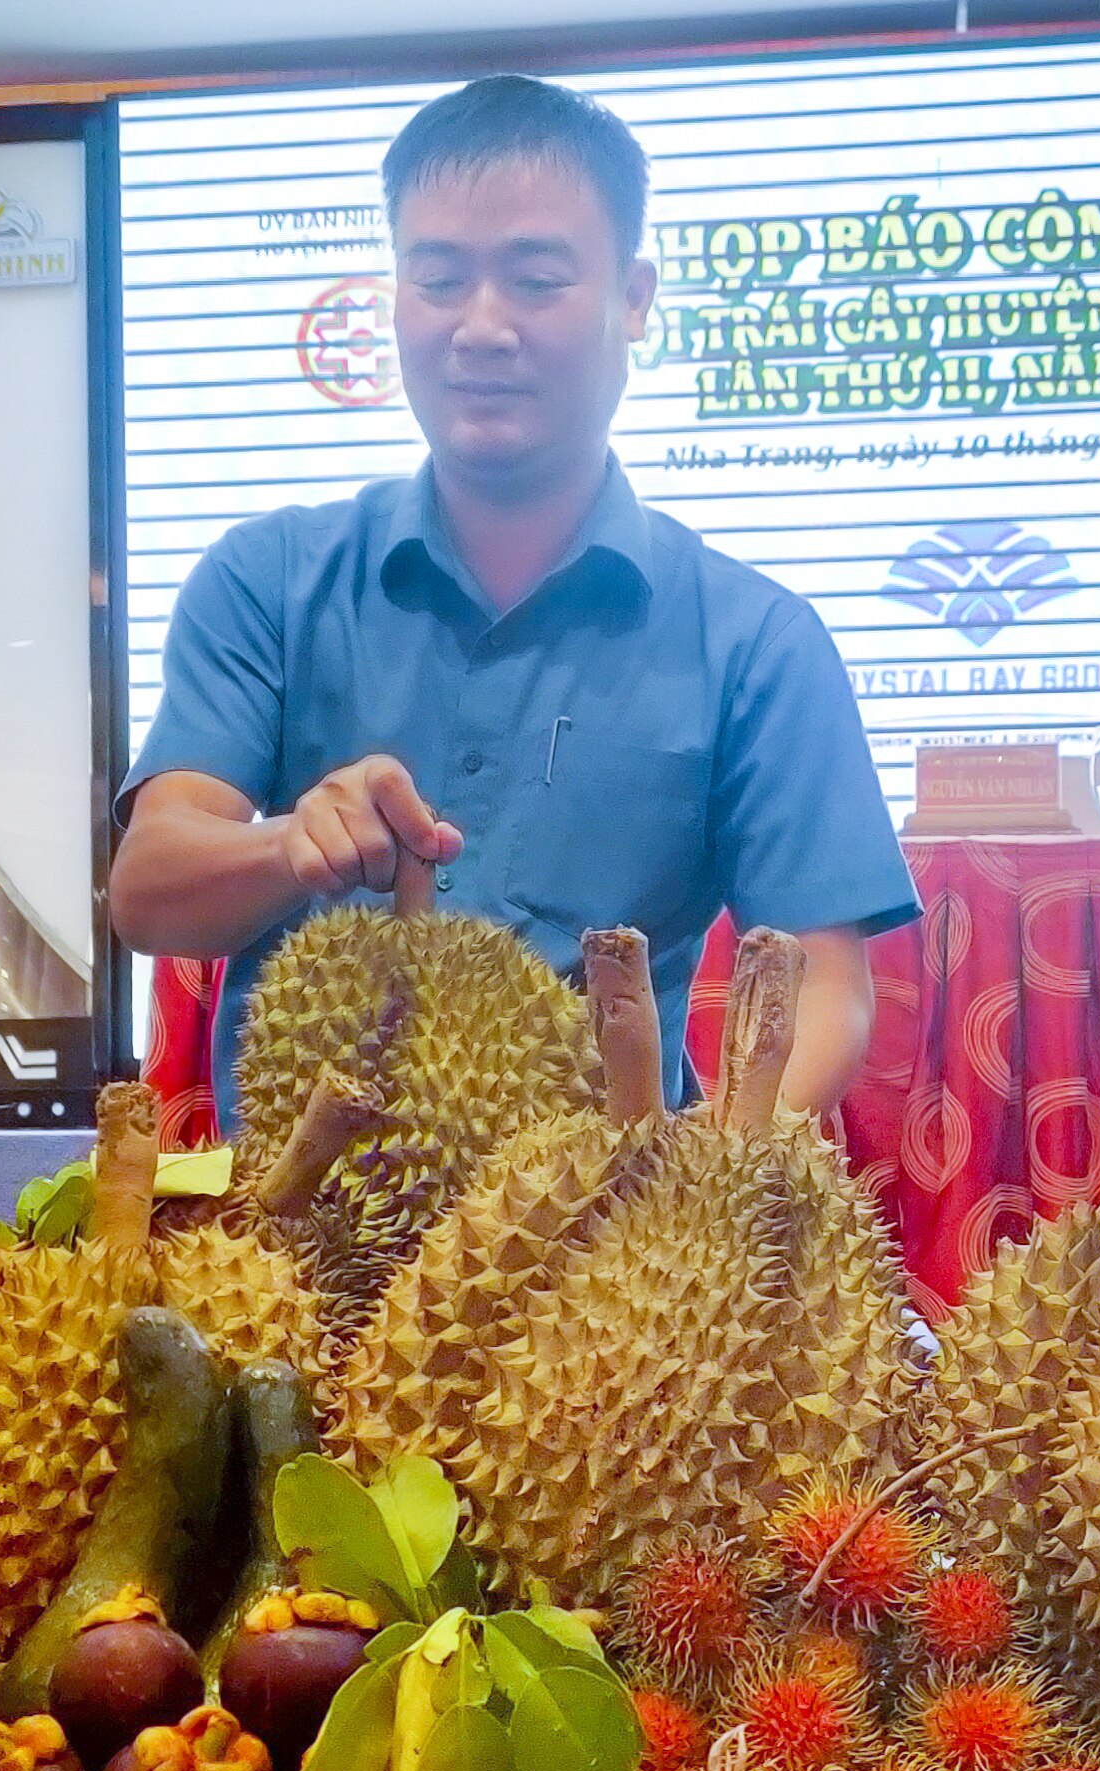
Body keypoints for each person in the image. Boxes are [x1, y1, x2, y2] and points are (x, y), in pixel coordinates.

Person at [112, 75, 916, 1130]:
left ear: (633, 299)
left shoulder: (756, 643)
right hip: (296, 1238)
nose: (481, 327)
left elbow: (823, 983)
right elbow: (148, 888)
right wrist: (289, 843)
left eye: (536, 280)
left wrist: (713, 1169)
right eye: (438, 279)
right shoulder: (269, 579)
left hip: (606, 1244)